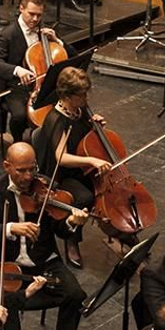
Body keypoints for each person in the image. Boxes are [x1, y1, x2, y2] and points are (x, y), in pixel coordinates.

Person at [0, 142, 88, 330]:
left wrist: (72, 223)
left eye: (31, 169)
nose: (28, 176)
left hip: (44, 260)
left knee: (75, 294)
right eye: (21, 170)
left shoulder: (46, 188)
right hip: (7, 263)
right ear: (7, 166)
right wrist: (11, 228)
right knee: (4, 300)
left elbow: (61, 230)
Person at [30, 64, 106, 268]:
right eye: (81, 95)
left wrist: (95, 124)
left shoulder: (79, 110)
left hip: (77, 170)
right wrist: (92, 160)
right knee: (85, 197)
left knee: (103, 187)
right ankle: (71, 239)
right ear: (68, 96)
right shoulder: (57, 119)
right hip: (60, 175)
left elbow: (82, 139)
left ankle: (116, 230)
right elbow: (61, 157)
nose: (86, 99)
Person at [0, 0, 62, 143]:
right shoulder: (8, 34)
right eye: (31, 14)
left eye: (39, 15)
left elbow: (68, 54)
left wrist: (57, 41)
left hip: (42, 84)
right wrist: (17, 70)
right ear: (21, 8)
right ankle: (18, 143)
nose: (35, 19)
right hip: (15, 86)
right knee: (19, 116)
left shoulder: (44, 29)